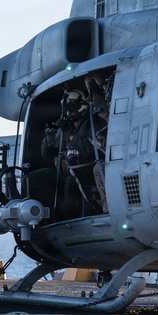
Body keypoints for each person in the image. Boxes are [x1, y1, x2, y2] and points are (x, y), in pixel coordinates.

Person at [41, 88, 103, 219]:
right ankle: (41, 218)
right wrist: (49, 138)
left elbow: (91, 150)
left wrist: (71, 137)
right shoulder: (65, 128)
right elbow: (46, 155)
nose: (68, 112)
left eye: (71, 108)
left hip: (86, 171)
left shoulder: (92, 125)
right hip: (64, 173)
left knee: (70, 183)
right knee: (34, 179)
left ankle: (67, 218)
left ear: (82, 107)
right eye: (66, 109)